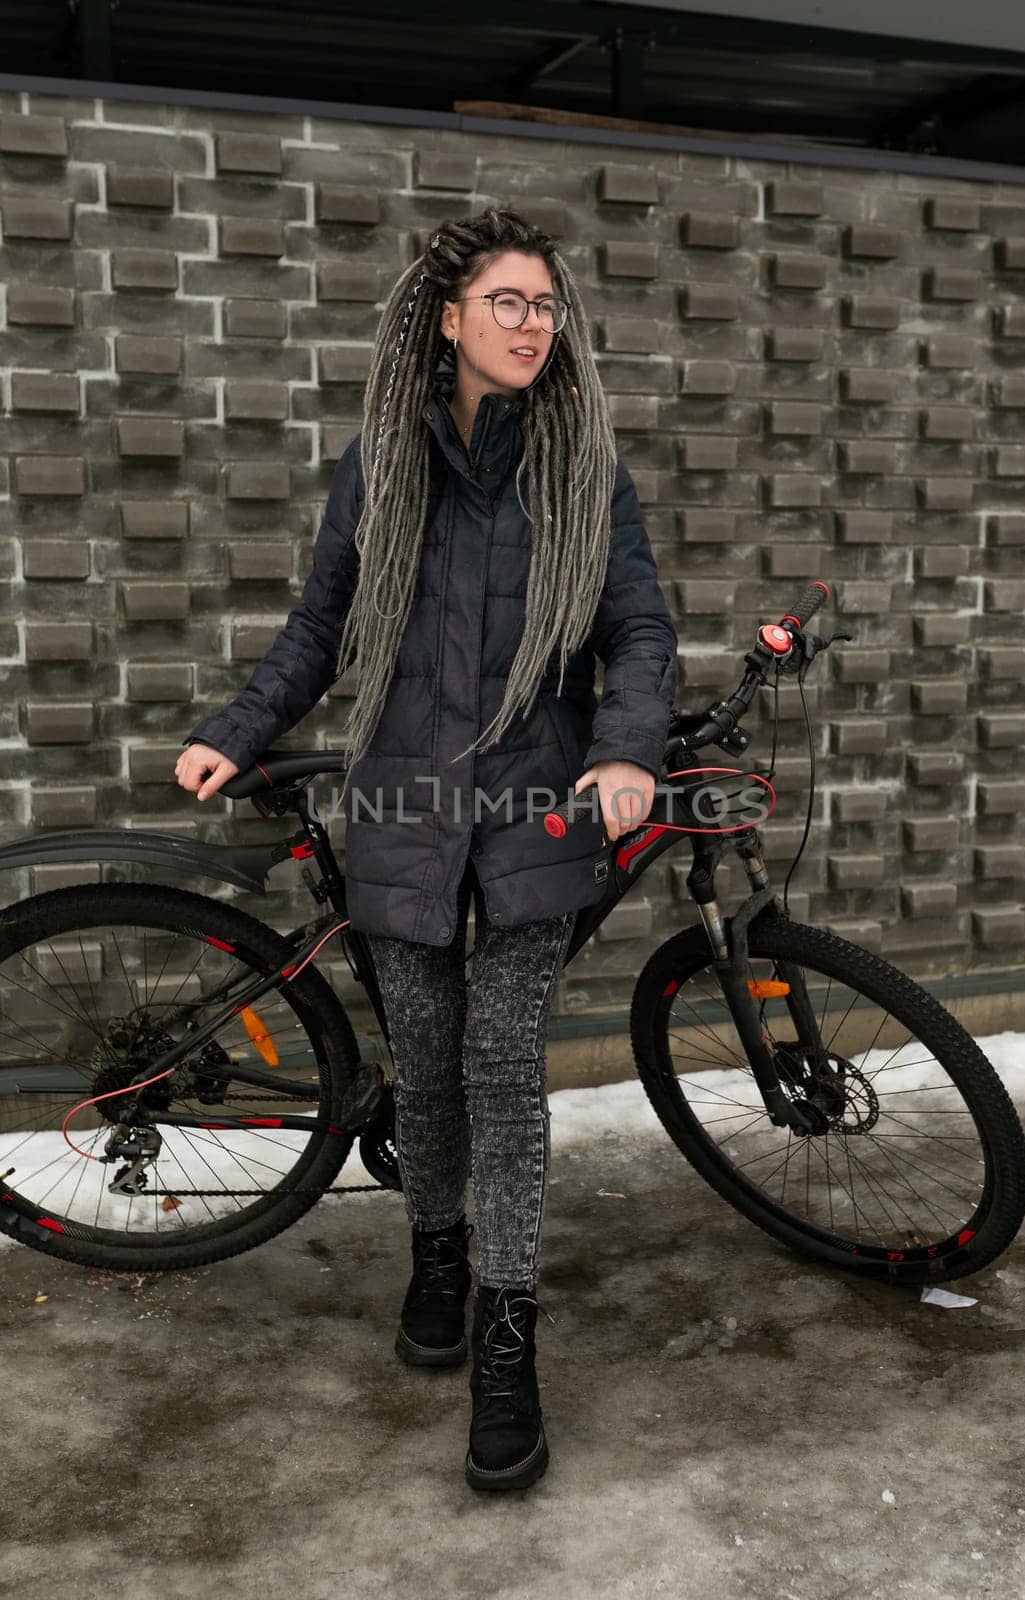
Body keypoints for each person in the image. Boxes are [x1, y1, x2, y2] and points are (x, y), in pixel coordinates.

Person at [174, 206, 678, 1492]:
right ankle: (439, 1253)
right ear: (446, 318)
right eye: (506, 303)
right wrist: (239, 728)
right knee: (435, 1067)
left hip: (533, 802)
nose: (532, 325)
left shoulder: (582, 470)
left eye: (546, 306)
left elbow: (638, 630)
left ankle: (507, 1337)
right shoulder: (380, 468)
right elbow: (320, 626)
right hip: (402, 801)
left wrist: (622, 749)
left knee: (503, 1063)